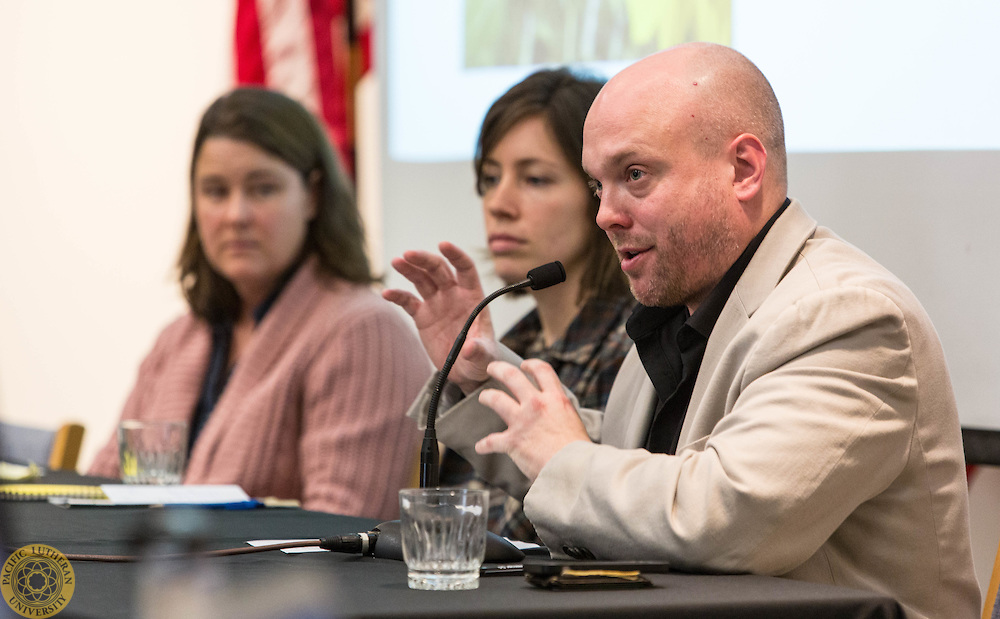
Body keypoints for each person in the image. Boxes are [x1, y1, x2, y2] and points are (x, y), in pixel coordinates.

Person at [388, 43, 980, 619]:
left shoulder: (845, 314)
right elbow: (626, 472)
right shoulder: (688, 308)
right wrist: (482, 373)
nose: (605, 214)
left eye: (636, 175)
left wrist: (563, 457)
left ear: (744, 169)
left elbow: (725, 518)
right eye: (599, 186)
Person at [89, 87, 431, 520]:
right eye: (215, 191)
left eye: (262, 188)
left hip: (269, 588)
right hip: (151, 581)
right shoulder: (180, 337)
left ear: (312, 195)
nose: (236, 215)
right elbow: (99, 493)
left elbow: (341, 538)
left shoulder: (365, 332)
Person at [383, 68, 635, 542]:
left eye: (535, 179)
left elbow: (593, 529)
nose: (498, 203)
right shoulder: (511, 346)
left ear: (600, 193)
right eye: (490, 177)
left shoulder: (638, 349)